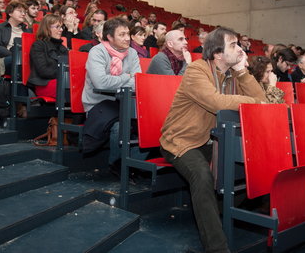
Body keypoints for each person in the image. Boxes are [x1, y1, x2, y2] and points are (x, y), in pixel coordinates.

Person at [160, 27, 267, 253]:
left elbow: (261, 100)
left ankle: (212, 207)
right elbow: (216, 102)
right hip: (181, 141)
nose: (240, 49)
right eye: (233, 45)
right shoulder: (197, 69)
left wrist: (241, 71)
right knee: (201, 175)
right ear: (218, 54)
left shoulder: (232, 75)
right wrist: (254, 103)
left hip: (211, 142)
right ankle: (217, 249)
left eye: (239, 44)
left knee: (248, 166)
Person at [81, 17, 142, 173]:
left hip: (122, 102)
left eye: (128, 34)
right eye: (122, 34)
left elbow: (138, 81)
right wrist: (127, 78)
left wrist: (122, 80)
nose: (127, 38)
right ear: (109, 37)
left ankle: (133, 162)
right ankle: (117, 165)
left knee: (149, 123)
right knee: (120, 126)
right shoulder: (97, 52)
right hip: (98, 103)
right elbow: (100, 83)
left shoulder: (133, 53)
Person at [28, 14, 68, 99]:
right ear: (47, 28)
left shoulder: (62, 48)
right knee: (72, 87)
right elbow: (44, 71)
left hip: (61, 81)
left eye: (61, 27)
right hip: (44, 84)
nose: (61, 30)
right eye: (57, 27)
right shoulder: (39, 45)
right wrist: (63, 74)